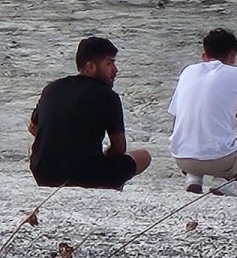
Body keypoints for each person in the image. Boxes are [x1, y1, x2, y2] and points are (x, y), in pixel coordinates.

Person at [28, 37, 152, 189]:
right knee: (143, 156)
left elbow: (33, 128)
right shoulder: (108, 96)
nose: (115, 70)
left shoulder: (52, 88)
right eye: (109, 63)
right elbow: (119, 148)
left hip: (44, 174)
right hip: (87, 177)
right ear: (90, 67)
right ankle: (112, 186)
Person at [168, 29, 237, 196]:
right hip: (220, 161)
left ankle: (194, 177)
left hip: (182, 158)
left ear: (204, 55)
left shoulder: (188, 71)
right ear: (232, 56)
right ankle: (225, 180)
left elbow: (177, 117)